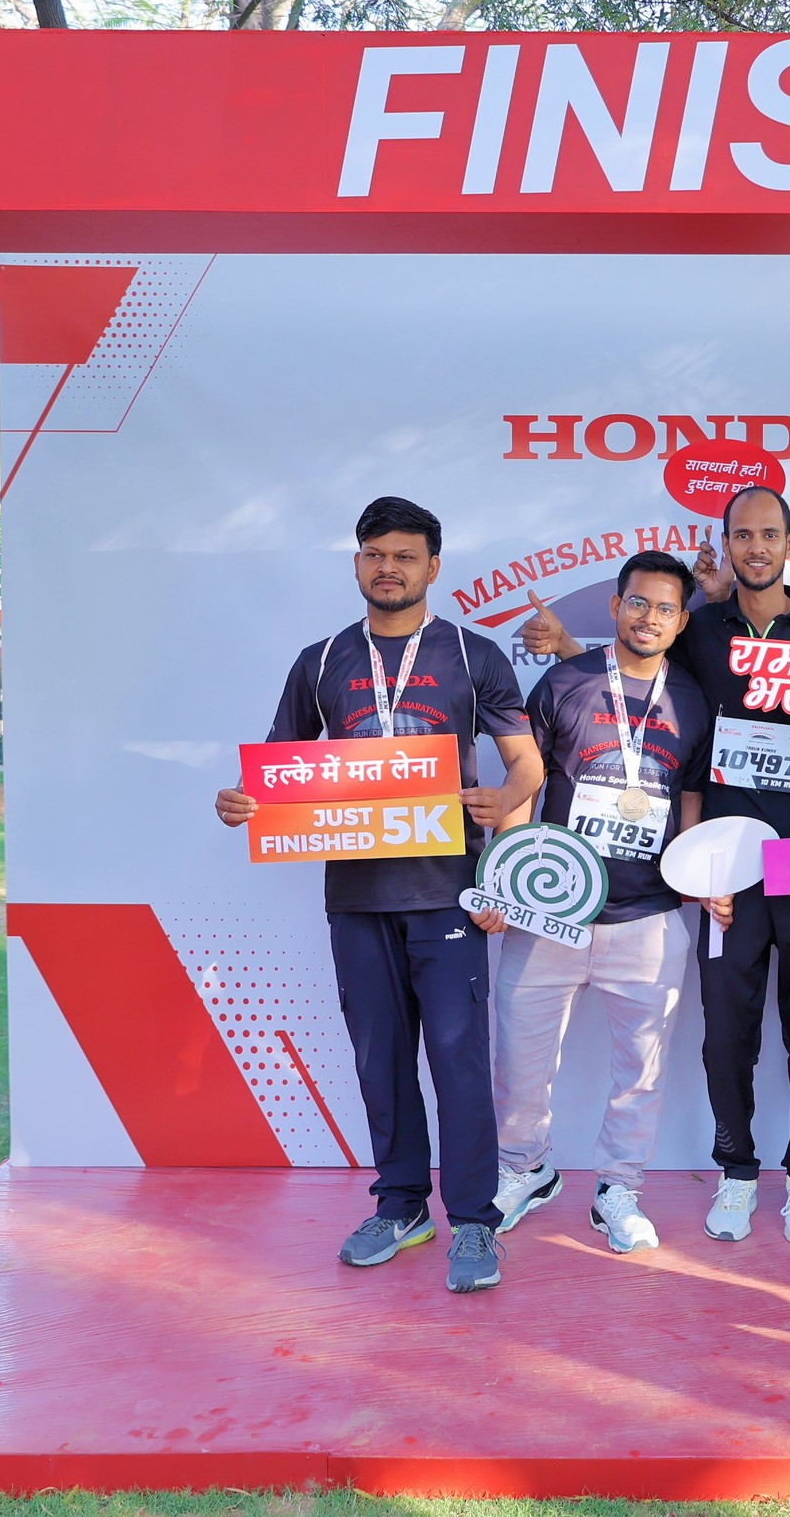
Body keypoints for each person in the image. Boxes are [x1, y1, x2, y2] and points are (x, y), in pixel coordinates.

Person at [215, 496, 543, 1294]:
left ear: (433, 566)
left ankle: (474, 1219)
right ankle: (401, 1205)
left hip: (450, 895)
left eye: (404, 555)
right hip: (357, 897)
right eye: (374, 554)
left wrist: (503, 837)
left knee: (459, 1061)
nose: (388, 567)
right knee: (380, 1060)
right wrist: (242, 801)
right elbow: (280, 769)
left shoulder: (471, 653)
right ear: (357, 562)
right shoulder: (321, 659)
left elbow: (527, 765)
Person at [522, 487, 790, 1244]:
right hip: (726, 869)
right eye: (743, 535)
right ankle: (736, 1169)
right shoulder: (700, 628)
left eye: (769, 534)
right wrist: (569, 648)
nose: (756, 547)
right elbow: (633, 688)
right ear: (727, 543)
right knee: (726, 1030)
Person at [490, 551, 714, 1254]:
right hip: (549, 911)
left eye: (666, 608)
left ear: (681, 622)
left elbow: (691, 806)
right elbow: (523, 784)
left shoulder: (693, 699)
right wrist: (503, 877)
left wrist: (703, 879)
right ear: (617, 606)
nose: (650, 617)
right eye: (638, 602)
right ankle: (523, 1169)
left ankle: (619, 1188)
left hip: (648, 916)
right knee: (520, 1063)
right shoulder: (564, 683)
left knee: (640, 1072)